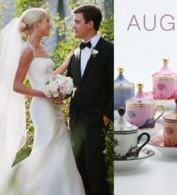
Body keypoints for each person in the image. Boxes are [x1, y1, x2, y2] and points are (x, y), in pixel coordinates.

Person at [0, 8, 85, 195]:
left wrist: (65, 65)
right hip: (42, 108)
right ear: (36, 24)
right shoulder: (27, 51)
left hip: (51, 105)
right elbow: (17, 86)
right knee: (47, 149)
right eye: (47, 20)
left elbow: (46, 77)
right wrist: (45, 94)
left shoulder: (42, 48)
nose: (50, 24)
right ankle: (13, 188)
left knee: (58, 149)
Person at [67, 4, 113, 195]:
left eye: (77, 22)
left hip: (96, 120)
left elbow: (114, 86)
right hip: (76, 120)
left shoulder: (109, 50)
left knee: (95, 170)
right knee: (79, 169)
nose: (73, 26)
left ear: (90, 24)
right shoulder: (75, 53)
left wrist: (106, 116)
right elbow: (71, 85)